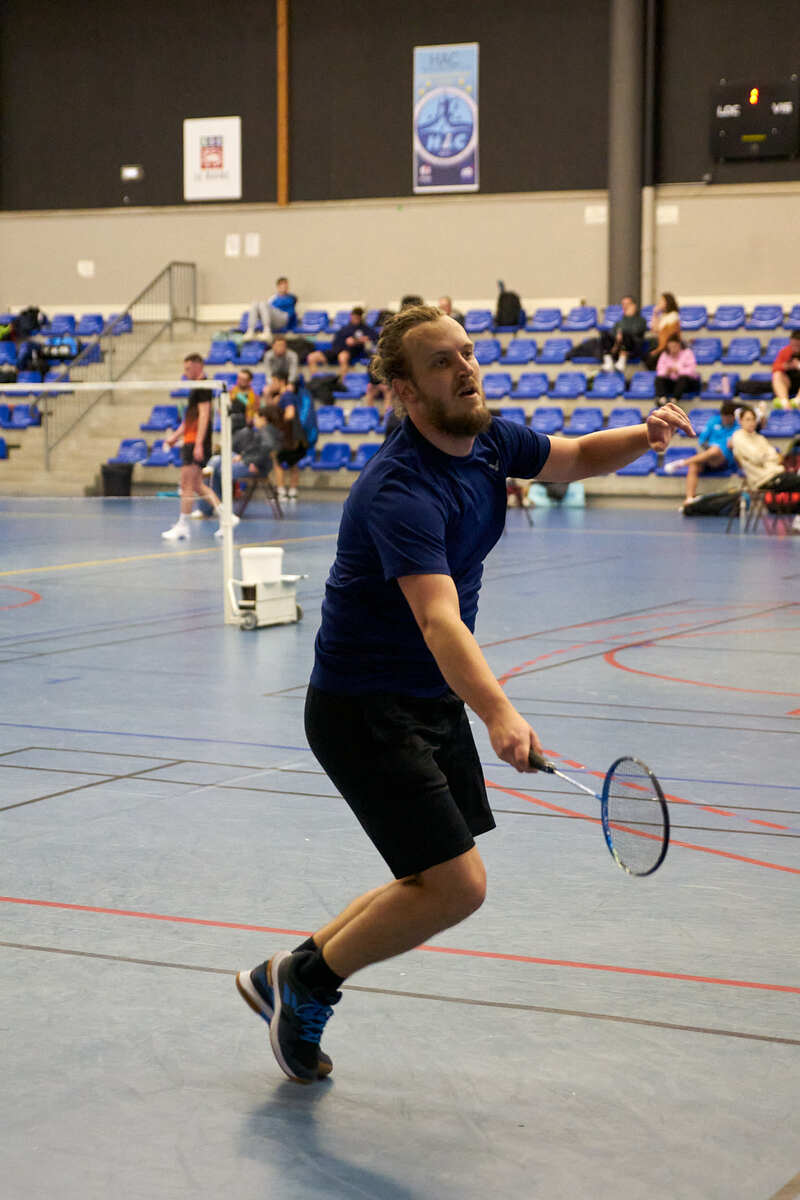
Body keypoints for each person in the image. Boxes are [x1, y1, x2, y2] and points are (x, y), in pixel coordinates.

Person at [234, 304, 692, 1084]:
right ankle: (308, 984)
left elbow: (576, 455)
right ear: (408, 391)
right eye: (442, 362)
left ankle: (291, 973)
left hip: (427, 696)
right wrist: (500, 713)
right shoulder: (399, 489)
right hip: (363, 707)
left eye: (468, 353)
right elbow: (438, 619)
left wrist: (642, 437)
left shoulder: (490, 441)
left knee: (427, 878)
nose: (466, 369)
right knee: (456, 886)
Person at [161, 354, 239, 540]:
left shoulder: (203, 387)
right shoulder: (196, 388)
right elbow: (190, 420)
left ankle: (182, 525)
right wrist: (174, 438)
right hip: (191, 440)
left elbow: (204, 416)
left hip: (194, 442)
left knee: (186, 484)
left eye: (188, 368)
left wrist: (198, 444)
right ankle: (227, 517)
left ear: (198, 366)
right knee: (197, 485)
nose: (185, 372)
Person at [731, 405, 800, 532]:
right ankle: (798, 521)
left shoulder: (759, 438)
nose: (751, 423)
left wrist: (766, 456)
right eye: (747, 419)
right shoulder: (738, 438)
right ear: (740, 421)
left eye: (753, 419)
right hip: (763, 479)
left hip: (776, 473)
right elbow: (757, 458)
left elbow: (776, 457)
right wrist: (767, 456)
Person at [663, 399, 739, 508]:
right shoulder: (714, 421)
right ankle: (689, 499)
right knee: (694, 465)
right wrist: (710, 448)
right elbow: (702, 441)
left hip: (726, 461)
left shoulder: (738, 427)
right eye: (724, 416)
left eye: (729, 417)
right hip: (709, 457)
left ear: (733, 417)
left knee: (715, 450)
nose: (726, 419)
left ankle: (682, 463)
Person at [209, 406, 277, 508]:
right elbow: (254, 450)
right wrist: (242, 456)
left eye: (256, 418)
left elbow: (267, 449)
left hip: (255, 466)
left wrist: (254, 463)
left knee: (219, 470)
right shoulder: (261, 431)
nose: (254, 420)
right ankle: (217, 504)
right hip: (248, 460)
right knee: (217, 461)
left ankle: (218, 504)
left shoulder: (267, 431)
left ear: (264, 418)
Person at [264, 378, 308, 500]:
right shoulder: (284, 396)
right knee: (293, 462)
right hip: (295, 436)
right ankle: (292, 491)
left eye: (274, 382)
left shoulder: (287, 396)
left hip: (289, 436)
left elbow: (290, 413)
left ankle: (281, 491)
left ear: (281, 381)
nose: (272, 384)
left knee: (278, 461)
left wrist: (279, 424)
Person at [306, 307, 378, 374]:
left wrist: (357, 341)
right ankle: (316, 379)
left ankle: (342, 381)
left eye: (358, 317)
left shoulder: (364, 328)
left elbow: (375, 336)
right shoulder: (344, 328)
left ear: (361, 317)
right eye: (354, 317)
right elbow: (336, 342)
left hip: (350, 351)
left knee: (342, 356)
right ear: (351, 316)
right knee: (311, 357)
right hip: (335, 350)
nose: (356, 319)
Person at [600, 295, 647, 371]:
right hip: (618, 346)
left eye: (627, 304)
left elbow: (636, 331)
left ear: (634, 306)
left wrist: (629, 317)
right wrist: (617, 339)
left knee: (625, 334)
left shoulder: (641, 320)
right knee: (604, 333)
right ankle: (608, 361)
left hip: (632, 348)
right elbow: (613, 332)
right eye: (623, 304)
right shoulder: (620, 321)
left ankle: (622, 361)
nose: (625, 306)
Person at [655, 335, 699, 405]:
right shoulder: (664, 354)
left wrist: (678, 370)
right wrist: (666, 372)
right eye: (670, 347)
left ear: (679, 345)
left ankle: (674, 400)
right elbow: (659, 371)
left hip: (686, 384)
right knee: (659, 379)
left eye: (674, 346)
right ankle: (662, 399)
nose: (672, 349)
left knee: (683, 378)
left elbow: (691, 371)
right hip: (671, 383)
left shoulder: (687, 353)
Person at [644, 292, 681, 369]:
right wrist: (655, 313)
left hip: (667, 347)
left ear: (667, 302)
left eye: (661, 301)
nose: (659, 303)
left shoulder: (673, 316)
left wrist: (658, 350)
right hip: (661, 345)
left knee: (650, 359)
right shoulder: (663, 316)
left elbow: (667, 338)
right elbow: (654, 329)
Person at [771, 329, 800, 410]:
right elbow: (774, 368)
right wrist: (785, 366)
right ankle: (784, 402)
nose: (794, 348)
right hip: (789, 383)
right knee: (777, 374)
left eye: (797, 346)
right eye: (793, 345)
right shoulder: (785, 351)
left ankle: (798, 401)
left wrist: (798, 366)